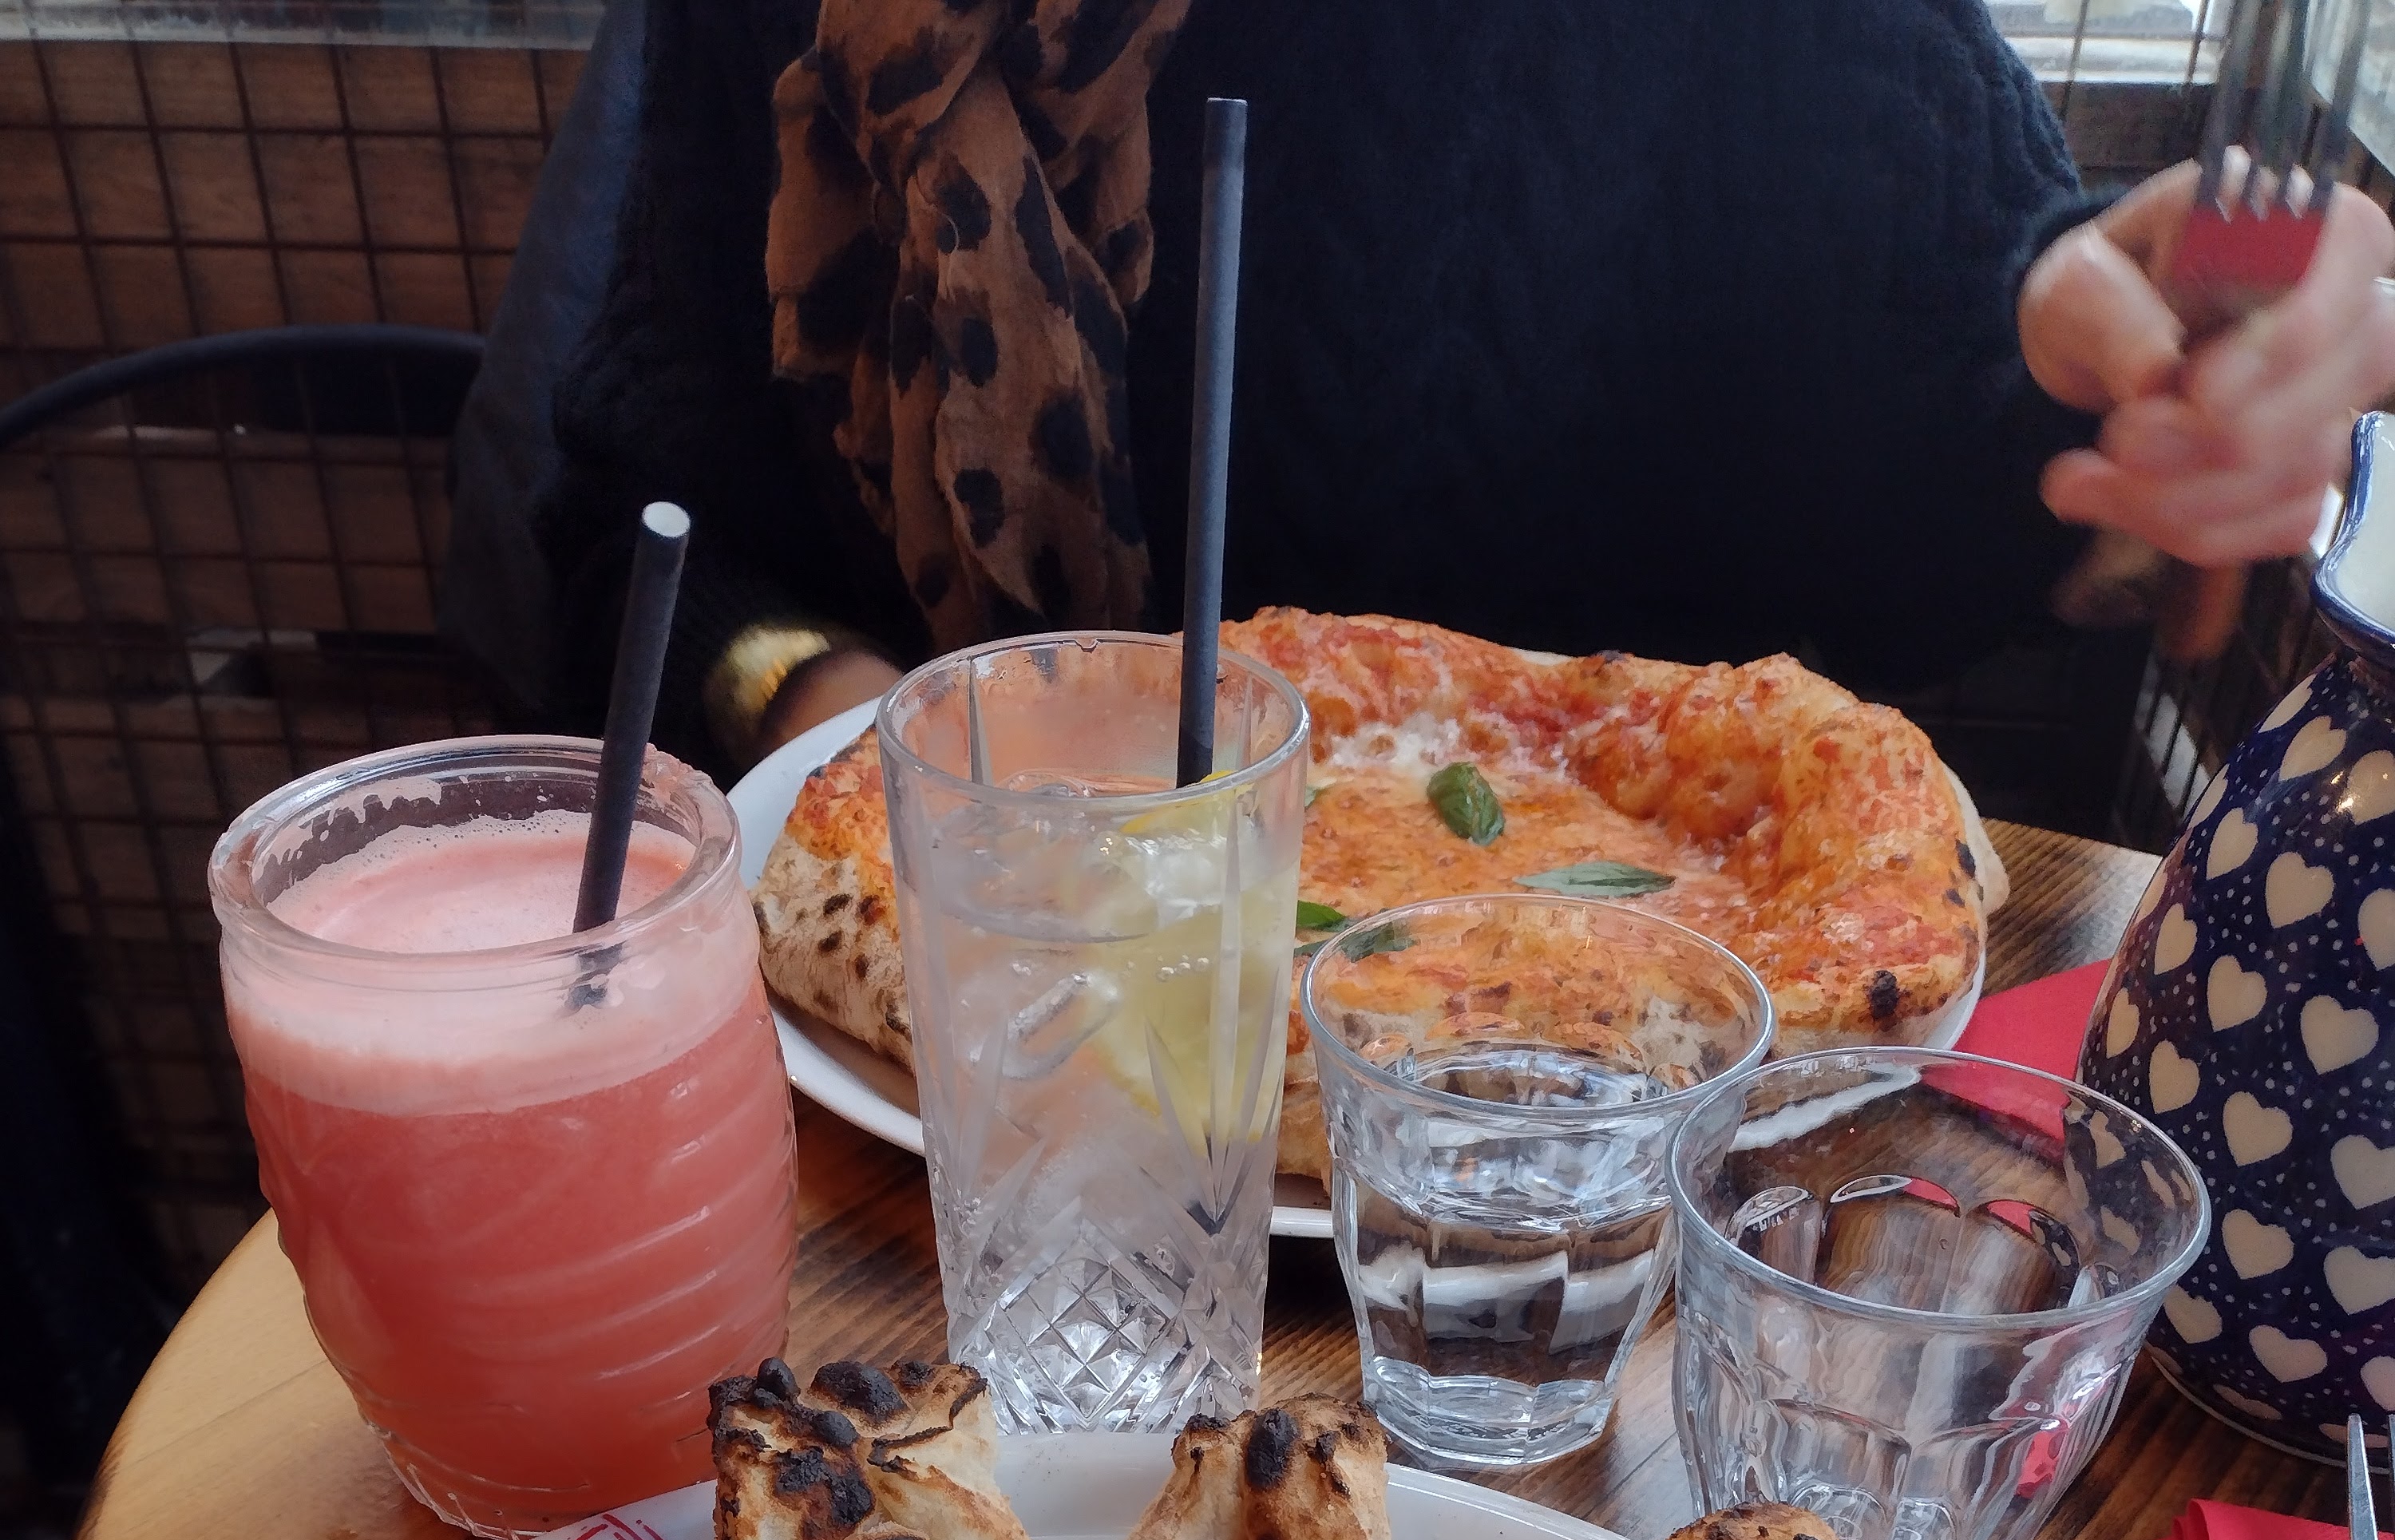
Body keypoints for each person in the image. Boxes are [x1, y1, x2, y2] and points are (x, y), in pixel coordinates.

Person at [457, 0, 2395, 784]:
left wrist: (2138, 355)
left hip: (1578, 1153)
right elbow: (638, 541)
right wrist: (878, 745)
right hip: (963, 1092)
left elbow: (1970, 352)